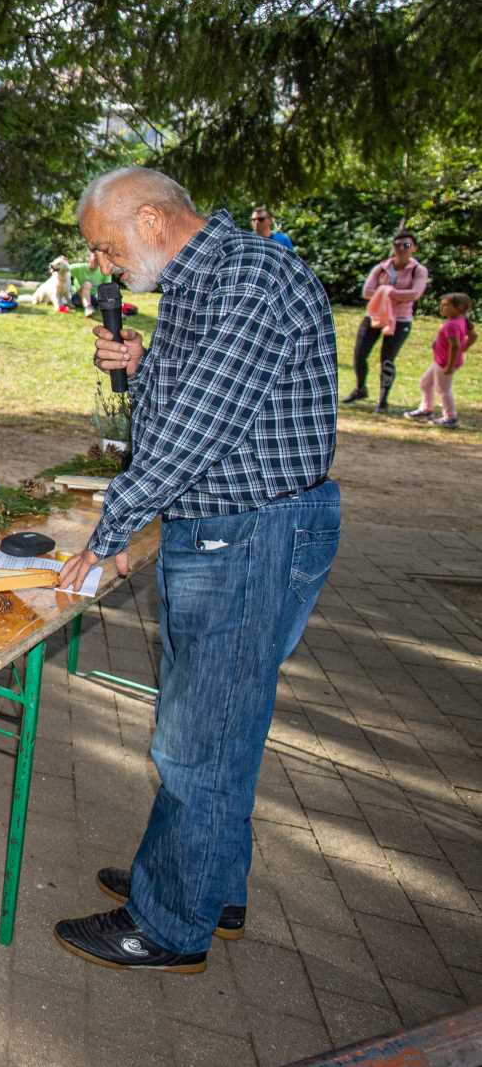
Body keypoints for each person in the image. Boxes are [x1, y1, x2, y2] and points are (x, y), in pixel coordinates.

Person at [53, 166, 340, 975]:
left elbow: (195, 433)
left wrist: (108, 532)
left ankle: (170, 924)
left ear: (150, 219)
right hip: (232, 528)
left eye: (107, 249)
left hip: (250, 535)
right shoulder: (199, 279)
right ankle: (210, 882)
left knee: (197, 741)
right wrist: (144, 364)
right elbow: (216, 402)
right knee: (225, 724)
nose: (106, 268)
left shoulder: (248, 277)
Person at [346, 229, 429, 412]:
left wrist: (388, 292)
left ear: (414, 248)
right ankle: (361, 388)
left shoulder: (418, 270)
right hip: (374, 316)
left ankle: (383, 399)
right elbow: (366, 291)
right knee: (360, 355)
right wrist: (391, 293)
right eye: (397, 245)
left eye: (406, 245)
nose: (401, 248)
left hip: (400, 320)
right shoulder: (382, 267)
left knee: (387, 359)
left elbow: (415, 294)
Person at [405, 293, 473, 428]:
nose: (441, 307)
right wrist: (463, 348)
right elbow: (473, 336)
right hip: (440, 361)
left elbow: (454, 346)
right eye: (441, 304)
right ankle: (426, 409)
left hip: (445, 364)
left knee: (443, 390)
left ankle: (450, 418)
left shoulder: (452, 325)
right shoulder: (460, 320)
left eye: (446, 305)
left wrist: (450, 365)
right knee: (425, 382)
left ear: (459, 308)